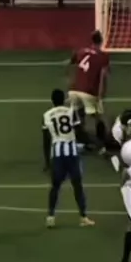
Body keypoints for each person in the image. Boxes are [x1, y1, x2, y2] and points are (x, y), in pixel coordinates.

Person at [42, 89, 95, 228]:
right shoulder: (70, 112)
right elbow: (79, 131)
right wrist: (91, 143)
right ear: (64, 99)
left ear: (52, 101)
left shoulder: (46, 115)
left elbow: (46, 140)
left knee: (55, 186)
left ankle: (50, 217)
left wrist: (47, 162)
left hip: (57, 154)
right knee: (77, 185)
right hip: (71, 153)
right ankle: (83, 217)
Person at [68, 30, 109, 152]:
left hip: (74, 89)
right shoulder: (103, 56)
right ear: (101, 41)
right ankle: (101, 142)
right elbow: (103, 76)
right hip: (89, 91)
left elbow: (72, 61)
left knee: (78, 114)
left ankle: (80, 140)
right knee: (97, 116)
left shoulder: (81, 51)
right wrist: (101, 93)